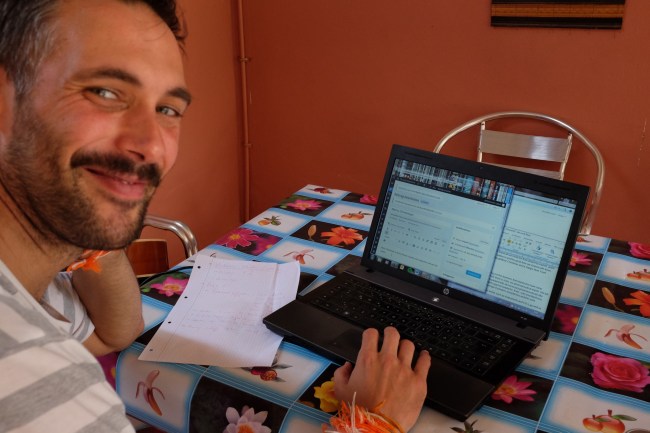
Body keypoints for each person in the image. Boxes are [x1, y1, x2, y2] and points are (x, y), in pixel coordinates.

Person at [0, 2, 431, 433]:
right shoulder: (35, 385)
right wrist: (374, 422)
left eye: (168, 110)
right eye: (105, 92)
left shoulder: (33, 289)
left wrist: (91, 226)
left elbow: (115, 334)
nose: (152, 146)